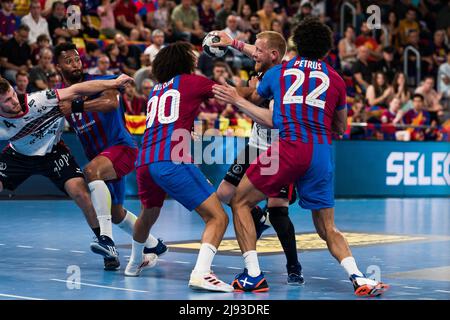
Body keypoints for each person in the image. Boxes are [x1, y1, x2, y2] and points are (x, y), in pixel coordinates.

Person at [212, 17, 389, 297]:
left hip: (289, 148)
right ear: (326, 49)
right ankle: (359, 278)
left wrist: (236, 99)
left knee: (240, 201)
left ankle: (253, 276)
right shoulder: (336, 79)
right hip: (320, 154)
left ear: (296, 44)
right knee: (327, 227)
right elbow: (341, 128)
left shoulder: (280, 72)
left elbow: (264, 109)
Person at [127, 42, 233, 293]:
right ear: (182, 61)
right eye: (191, 56)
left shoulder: (155, 90)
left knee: (148, 214)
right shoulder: (189, 81)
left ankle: (133, 264)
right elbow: (228, 93)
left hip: (145, 161)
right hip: (171, 159)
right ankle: (202, 273)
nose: (195, 60)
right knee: (218, 217)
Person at [54, 43, 166, 271]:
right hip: (103, 159)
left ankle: (106, 240)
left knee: (90, 171)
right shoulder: (59, 94)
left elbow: (110, 102)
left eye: (77, 59)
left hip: (121, 148)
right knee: (115, 213)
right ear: (59, 66)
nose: (75, 64)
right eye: (69, 61)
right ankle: (154, 245)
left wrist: (75, 106)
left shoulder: (102, 81)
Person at [0, 73, 133, 263]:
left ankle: (107, 245)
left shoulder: (38, 101)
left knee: (81, 193)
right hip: (18, 156)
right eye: (7, 100)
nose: (14, 101)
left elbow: (76, 89)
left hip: (53, 152)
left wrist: (114, 82)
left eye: (13, 94)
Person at [211, 29, 304, 285]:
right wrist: (232, 43)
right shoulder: (265, 62)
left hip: (277, 149)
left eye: (258, 51)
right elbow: (256, 50)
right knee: (225, 194)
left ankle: (294, 266)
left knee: (278, 211)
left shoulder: (280, 80)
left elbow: (273, 122)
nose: (254, 52)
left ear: (273, 55)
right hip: (254, 145)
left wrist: (236, 97)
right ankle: (256, 218)